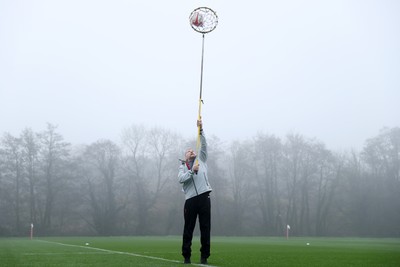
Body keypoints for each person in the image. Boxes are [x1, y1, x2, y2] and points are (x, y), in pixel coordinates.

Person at [178, 120, 212, 265]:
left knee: (205, 228)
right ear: (185, 156)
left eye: (192, 150)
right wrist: (192, 171)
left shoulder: (201, 159)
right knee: (188, 229)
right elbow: (181, 179)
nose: (191, 151)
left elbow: (204, 145)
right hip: (190, 200)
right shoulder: (182, 167)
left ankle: (204, 256)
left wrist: (201, 130)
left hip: (204, 197)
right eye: (188, 151)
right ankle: (186, 256)